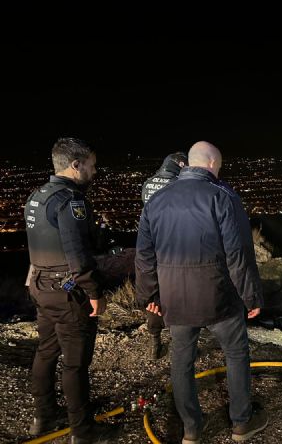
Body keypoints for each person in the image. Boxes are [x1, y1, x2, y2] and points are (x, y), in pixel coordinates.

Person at [135, 141, 268, 443]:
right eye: (218, 167)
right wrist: (251, 297)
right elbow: (238, 254)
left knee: (181, 361)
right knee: (235, 354)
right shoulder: (223, 196)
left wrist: (149, 298)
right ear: (210, 164)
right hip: (219, 298)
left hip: (175, 300)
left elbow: (144, 257)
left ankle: (191, 429)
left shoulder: (156, 202)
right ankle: (241, 423)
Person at [24, 137, 120, 443]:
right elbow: (77, 253)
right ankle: (82, 430)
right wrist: (94, 292)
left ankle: (43, 415)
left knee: (46, 351)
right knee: (75, 362)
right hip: (68, 290)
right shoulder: (70, 201)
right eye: (91, 165)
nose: (94, 171)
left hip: (40, 285)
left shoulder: (36, 196)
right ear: (75, 165)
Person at [140, 151, 187, 359]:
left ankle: (154, 340)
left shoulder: (148, 183)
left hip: (152, 242)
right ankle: (180, 343)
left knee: (155, 294)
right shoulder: (180, 183)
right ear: (181, 164)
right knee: (178, 291)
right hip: (176, 246)